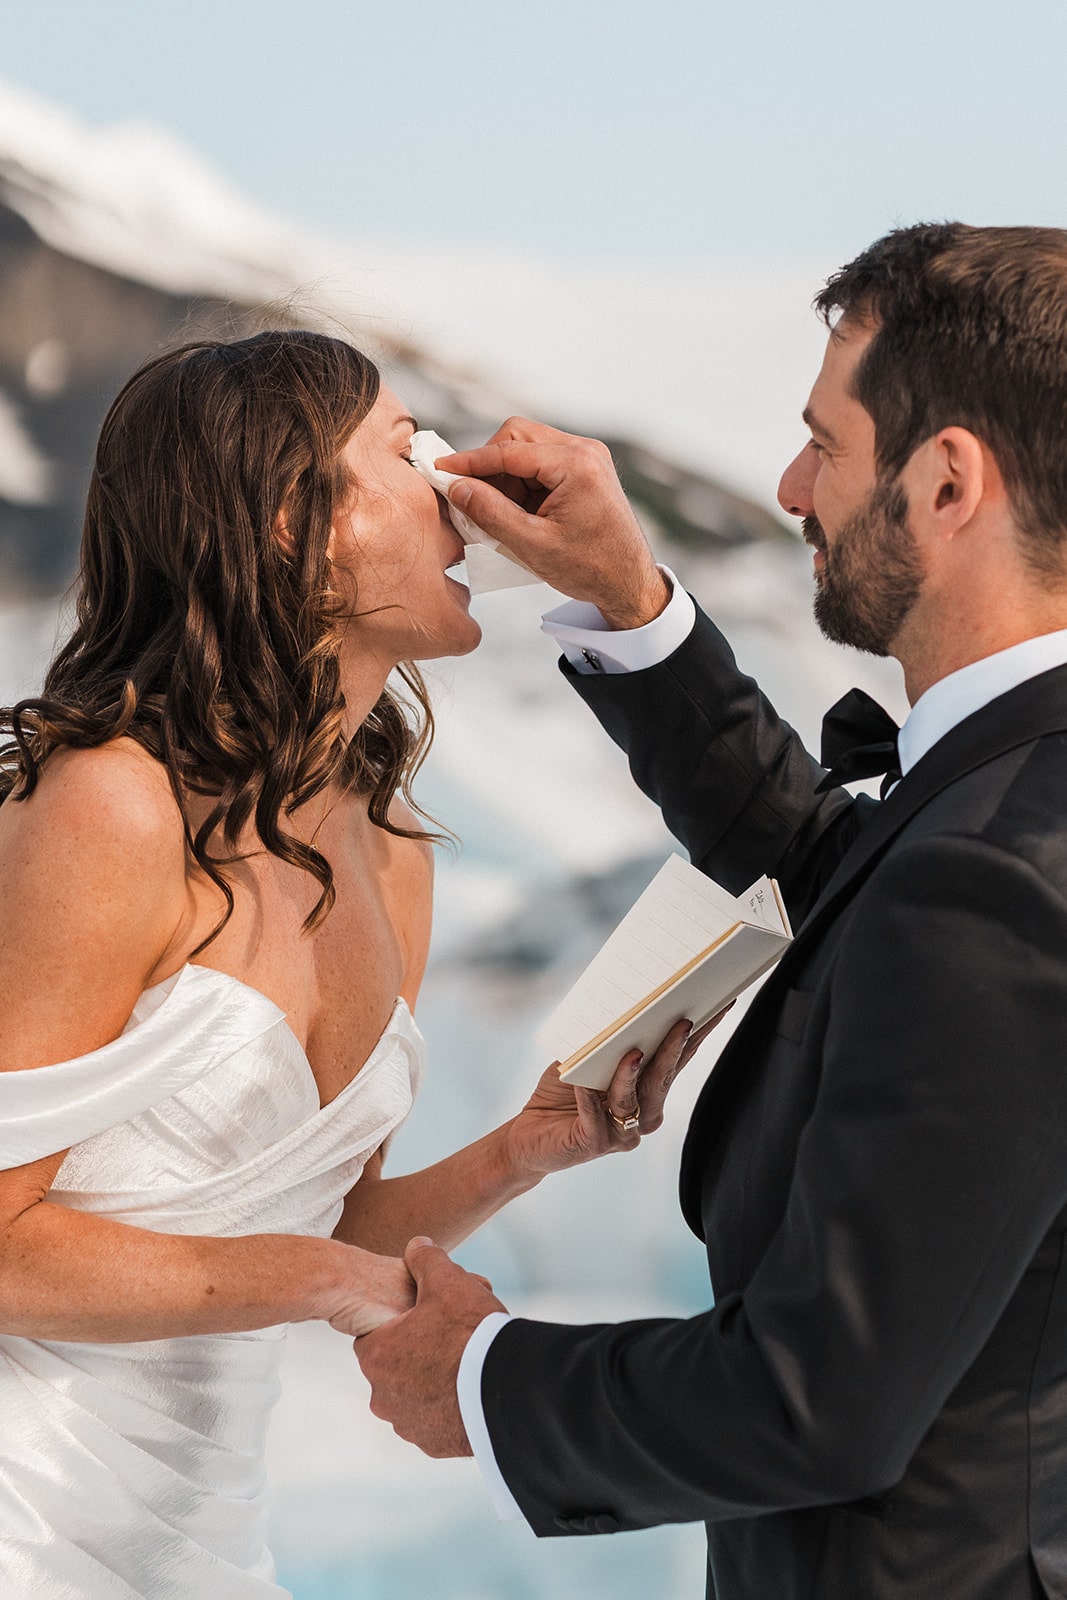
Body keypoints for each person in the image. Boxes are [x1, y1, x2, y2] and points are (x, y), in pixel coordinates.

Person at [355, 223, 1067, 1600]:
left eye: (823, 442)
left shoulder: (996, 874)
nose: (791, 485)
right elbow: (838, 866)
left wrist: (484, 1380)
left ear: (945, 480)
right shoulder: (1010, 801)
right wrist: (626, 601)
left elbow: (817, 1397)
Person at [0, 330, 711, 1599]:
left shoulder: (390, 855)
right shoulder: (110, 806)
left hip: (207, 1536)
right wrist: (319, 1276)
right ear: (291, 520)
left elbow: (324, 1223)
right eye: (405, 449)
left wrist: (521, 1147)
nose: (455, 488)